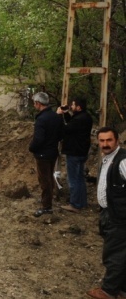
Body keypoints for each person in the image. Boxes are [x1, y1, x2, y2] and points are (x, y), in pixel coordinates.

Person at [86, 127, 126, 299]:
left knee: (113, 253)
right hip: (108, 212)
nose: (105, 144)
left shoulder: (122, 161)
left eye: (109, 140)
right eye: (101, 141)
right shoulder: (107, 159)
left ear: (117, 140)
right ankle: (122, 288)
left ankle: (109, 290)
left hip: (118, 215)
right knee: (121, 252)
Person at [28, 92, 63, 217]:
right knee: (49, 179)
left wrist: (31, 148)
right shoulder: (56, 117)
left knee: (45, 180)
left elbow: (38, 139)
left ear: (38, 103)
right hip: (52, 152)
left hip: (42, 154)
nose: (34, 105)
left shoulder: (41, 119)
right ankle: (46, 200)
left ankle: (47, 207)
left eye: (35, 103)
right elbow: (60, 135)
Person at [56, 97, 93, 213]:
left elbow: (66, 129)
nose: (71, 107)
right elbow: (72, 124)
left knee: (73, 179)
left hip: (74, 152)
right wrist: (66, 113)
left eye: (72, 105)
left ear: (78, 107)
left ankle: (75, 205)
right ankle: (82, 202)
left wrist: (58, 116)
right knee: (80, 178)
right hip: (81, 152)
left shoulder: (79, 120)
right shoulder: (85, 117)